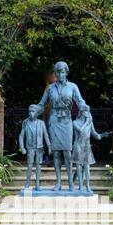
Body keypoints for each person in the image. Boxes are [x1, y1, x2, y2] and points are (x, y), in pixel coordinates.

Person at [35, 61, 86, 191]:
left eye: (62, 72)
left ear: (66, 72)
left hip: (66, 121)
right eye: (57, 72)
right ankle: (58, 182)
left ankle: (70, 182)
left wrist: (85, 108)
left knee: (67, 152)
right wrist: (34, 111)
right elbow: (41, 104)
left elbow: (80, 102)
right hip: (54, 121)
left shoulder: (73, 87)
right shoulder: (50, 88)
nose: (60, 74)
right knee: (56, 153)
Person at [72, 104, 110, 192]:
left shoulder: (89, 123)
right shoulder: (75, 123)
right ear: (81, 112)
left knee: (87, 167)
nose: (88, 113)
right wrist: (86, 122)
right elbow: (81, 130)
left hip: (86, 146)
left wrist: (101, 135)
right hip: (78, 146)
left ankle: (88, 185)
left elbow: (95, 134)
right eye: (86, 111)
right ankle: (80, 186)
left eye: (89, 111)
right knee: (78, 167)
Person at [19, 104, 51, 190]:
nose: (31, 113)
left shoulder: (41, 123)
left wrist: (49, 146)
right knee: (29, 165)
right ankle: (28, 183)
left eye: (33, 111)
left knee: (38, 165)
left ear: (37, 113)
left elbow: (46, 136)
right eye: (30, 111)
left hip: (39, 147)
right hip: (30, 147)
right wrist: (22, 147)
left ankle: (37, 184)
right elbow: (21, 136)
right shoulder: (25, 123)